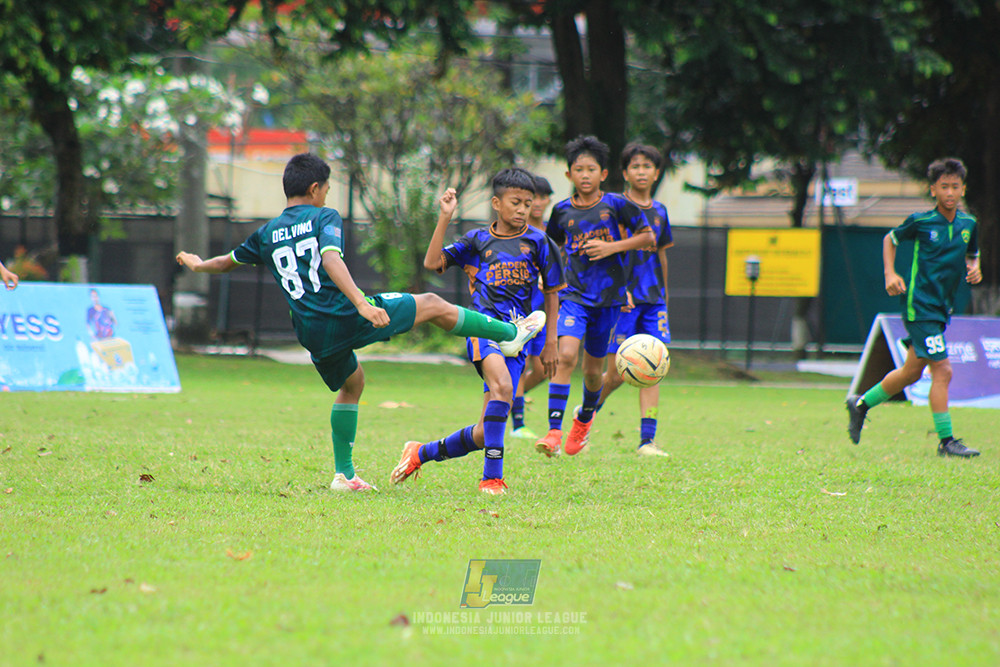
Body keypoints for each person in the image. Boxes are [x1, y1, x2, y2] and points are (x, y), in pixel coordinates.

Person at [176, 153, 545, 492]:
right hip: (345, 312)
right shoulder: (324, 217)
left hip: (310, 330)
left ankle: (344, 474)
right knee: (432, 303)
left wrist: (197, 264)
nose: (327, 195)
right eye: (328, 189)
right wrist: (362, 304)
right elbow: (331, 259)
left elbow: (226, 261)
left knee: (353, 383)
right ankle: (511, 333)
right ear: (315, 188)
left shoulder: (267, 232)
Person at [390, 168, 563, 494]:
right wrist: (445, 217)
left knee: (486, 431)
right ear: (497, 203)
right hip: (482, 326)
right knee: (502, 388)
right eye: (516, 202)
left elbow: (553, 293)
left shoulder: (540, 242)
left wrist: (550, 341)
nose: (523, 209)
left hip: (518, 336)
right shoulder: (477, 240)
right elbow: (432, 262)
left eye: (528, 203)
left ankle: (420, 452)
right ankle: (492, 479)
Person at [846, 157, 982, 457]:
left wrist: (975, 267)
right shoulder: (921, 222)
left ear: (963, 189)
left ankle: (860, 404)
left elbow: (972, 253)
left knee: (910, 372)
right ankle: (947, 443)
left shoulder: (968, 224)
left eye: (955, 187)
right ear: (933, 190)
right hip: (919, 305)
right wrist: (890, 274)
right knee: (943, 371)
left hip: (941, 309)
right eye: (943, 186)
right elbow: (890, 238)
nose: (949, 192)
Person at [536, 135, 654, 457]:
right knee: (566, 355)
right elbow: (551, 249)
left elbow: (647, 236)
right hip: (574, 296)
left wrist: (611, 247)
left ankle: (584, 419)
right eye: (578, 169)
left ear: (603, 174)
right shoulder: (561, 212)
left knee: (592, 372)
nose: (584, 175)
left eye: (591, 169)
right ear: (569, 175)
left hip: (609, 299)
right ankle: (553, 432)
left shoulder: (616, 205)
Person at [593, 143, 673, 457]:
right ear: (625, 173)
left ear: (656, 173)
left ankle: (646, 442)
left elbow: (662, 255)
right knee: (614, 374)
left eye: (647, 166)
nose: (641, 171)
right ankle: (585, 416)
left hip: (653, 301)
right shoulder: (614, 207)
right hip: (622, 300)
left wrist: (665, 297)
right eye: (635, 166)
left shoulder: (661, 211)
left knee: (654, 365)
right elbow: (605, 253)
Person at [508, 174, 555, 441]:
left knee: (541, 370)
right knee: (521, 361)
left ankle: (510, 396)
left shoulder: (552, 232)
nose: (538, 202)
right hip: (523, 307)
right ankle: (518, 424)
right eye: (532, 197)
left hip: (546, 309)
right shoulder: (517, 232)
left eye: (542, 196)